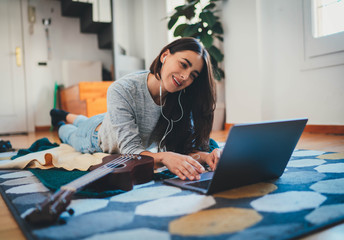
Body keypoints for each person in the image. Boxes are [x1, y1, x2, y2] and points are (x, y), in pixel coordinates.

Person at [50, 37, 221, 181]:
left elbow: (181, 149)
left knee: (87, 119)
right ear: (165, 56)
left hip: (111, 121)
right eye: (184, 65)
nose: (185, 77)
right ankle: (61, 119)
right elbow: (131, 152)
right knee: (69, 133)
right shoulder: (122, 89)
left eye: (193, 75)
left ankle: (68, 115)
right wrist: (164, 157)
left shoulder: (180, 99)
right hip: (95, 136)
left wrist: (206, 157)